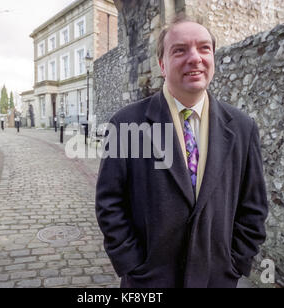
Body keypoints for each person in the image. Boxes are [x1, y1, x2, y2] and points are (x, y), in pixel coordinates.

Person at [95, 14, 268, 288]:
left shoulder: (243, 128)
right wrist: (132, 264)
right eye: (180, 50)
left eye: (204, 48)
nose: (195, 58)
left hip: (217, 279)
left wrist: (235, 263)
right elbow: (110, 203)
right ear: (163, 64)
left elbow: (253, 206)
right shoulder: (126, 124)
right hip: (149, 282)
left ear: (213, 59)